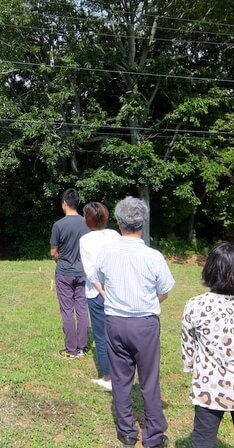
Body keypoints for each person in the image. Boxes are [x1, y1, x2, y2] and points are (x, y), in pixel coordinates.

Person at [93, 196, 174, 448]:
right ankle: (153, 435)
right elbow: (165, 289)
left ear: (118, 222)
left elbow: (96, 279)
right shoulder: (153, 256)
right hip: (145, 324)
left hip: (115, 322)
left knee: (120, 378)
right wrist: (150, 302)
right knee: (149, 380)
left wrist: (109, 296)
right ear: (143, 221)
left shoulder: (106, 253)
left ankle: (127, 431)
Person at [181, 241, 234, 448]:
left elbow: (188, 345)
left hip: (209, 386)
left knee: (203, 439)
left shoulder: (195, 304)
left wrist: (189, 366)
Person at [79, 202, 120, 391]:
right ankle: (121, 373)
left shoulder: (86, 240)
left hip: (97, 293)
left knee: (102, 336)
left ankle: (108, 377)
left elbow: (90, 271)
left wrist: (103, 292)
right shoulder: (114, 235)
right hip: (117, 290)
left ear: (88, 219)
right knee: (117, 335)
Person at [50, 188, 89, 358]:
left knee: (67, 310)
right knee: (82, 308)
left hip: (64, 272)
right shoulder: (87, 223)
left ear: (64, 204)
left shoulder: (58, 225)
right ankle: (82, 347)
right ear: (78, 204)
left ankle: (71, 349)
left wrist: (62, 260)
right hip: (83, 272)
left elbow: (53, 252)